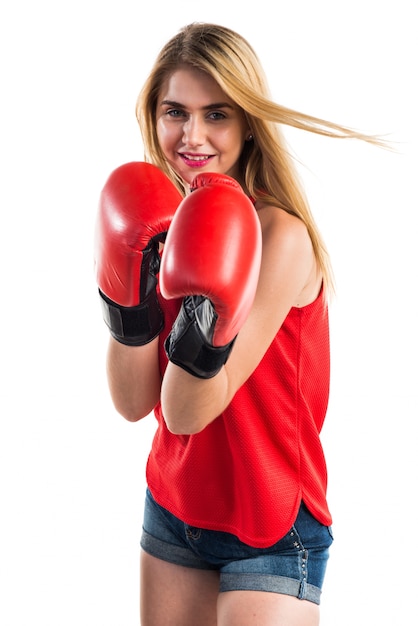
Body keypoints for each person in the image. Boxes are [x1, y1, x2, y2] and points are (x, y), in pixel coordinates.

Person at [94, 22, 383, 626]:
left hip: (272, 520)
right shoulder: (154, 223)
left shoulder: (282, 237)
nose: (192, 136)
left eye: (216, 114)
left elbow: (189, 410)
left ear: (248, 122)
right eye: (176, 111)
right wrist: (130, 305)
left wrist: (202, 305)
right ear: (154, 115)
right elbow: (133, 402)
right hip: (176, 505)